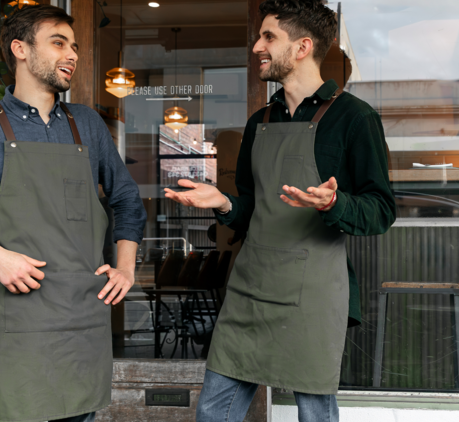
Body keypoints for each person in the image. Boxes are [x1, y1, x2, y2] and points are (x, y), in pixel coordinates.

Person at [164, 1, 396, 421]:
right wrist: (224, 202)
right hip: (251, 287)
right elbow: (255, 207)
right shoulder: (261, 121)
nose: (257, 46)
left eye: (269, 37)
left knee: (314, 413)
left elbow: (380, 210)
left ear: (303, 46)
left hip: (312, 292)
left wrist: (333, 202)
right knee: (213, 413)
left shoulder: (354, 119)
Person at [0, 5, 146, 422]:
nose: (72, 54)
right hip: (20, 326)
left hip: (84, 323)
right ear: (20, 49)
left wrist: (126, 266)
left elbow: (127, 200)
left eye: (74, 46)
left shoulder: (88, 125)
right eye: (58, 43)